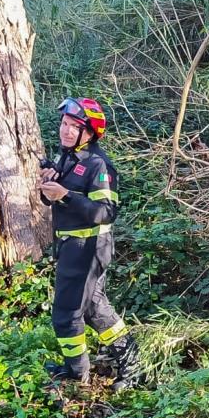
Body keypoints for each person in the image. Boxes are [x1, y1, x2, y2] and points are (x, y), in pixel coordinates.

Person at [37, 97, 143, 391]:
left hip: (88, 250)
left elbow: (106, 212)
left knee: (65, 315)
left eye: (75, 127)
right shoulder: (69, 157)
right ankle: (133, 366)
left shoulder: (98, 164)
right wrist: (50, 186)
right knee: (95, 309)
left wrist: (66, 195)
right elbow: (55, 200)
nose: (66, 131)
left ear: (90, 132)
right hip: (72, 247)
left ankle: (76, 375)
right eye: (65, 124)